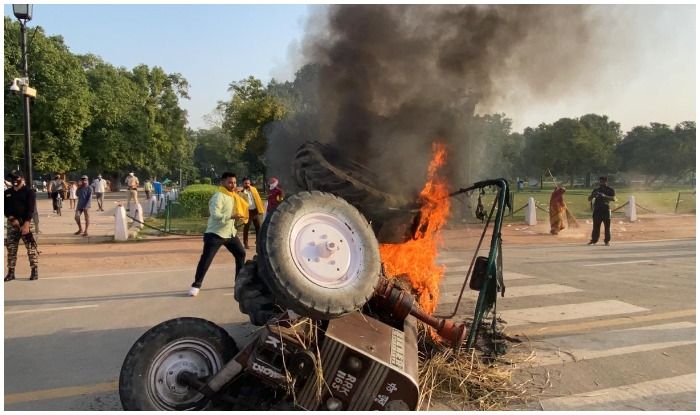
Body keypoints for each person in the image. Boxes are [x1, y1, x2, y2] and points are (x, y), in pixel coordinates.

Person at [188, 172, 246, 297]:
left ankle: (238, 282)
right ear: (223, 183)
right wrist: (232, 216)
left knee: (241, 253)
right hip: (215, 234)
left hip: (230, 233)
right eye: (230, 182)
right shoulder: (219, 196)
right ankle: (196, 285)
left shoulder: (233, 196)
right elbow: (215, 215)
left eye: (235, 182)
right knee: (206, 259)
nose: (233, 185)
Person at [4, 172, 39, 281]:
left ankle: (34, 271)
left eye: (17, 178)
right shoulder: (7, 193)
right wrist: (11, 219)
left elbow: (31, 209)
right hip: (12, 225)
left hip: (26, 223)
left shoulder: (29, 192)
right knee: (11, 249)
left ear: (22, 178)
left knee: (31, 249)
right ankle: (11, 272)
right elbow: (5, 208)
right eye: (12, 178)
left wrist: (26, 224)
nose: (15, 180)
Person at [587, 176, 616, 246]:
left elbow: (614, 198)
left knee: (607, 227)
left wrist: (605, 196)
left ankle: (607, 241)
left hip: (606, 210)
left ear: (606, 181)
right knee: (596, 226)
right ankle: (594, 240)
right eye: (600, 181)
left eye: (602, 181)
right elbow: (589, 199)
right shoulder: (596, 190)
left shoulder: (610, 190)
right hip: (597, 210)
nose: (601, 183)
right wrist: (593, 195)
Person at [240, 177, 265, 249]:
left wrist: (260, 210)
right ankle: (245, 243)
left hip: (255, 211)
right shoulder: (241, 192)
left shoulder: (254, 189)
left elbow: (258, 199)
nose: (247, 184)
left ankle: (258, 242)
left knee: (258, 227)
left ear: (250, 183)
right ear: (243, 184)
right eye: (245, 183)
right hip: (247, 212)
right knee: (246, 228)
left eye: (248, 183)